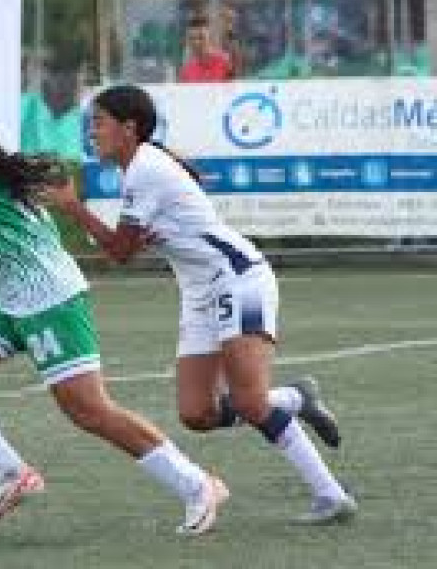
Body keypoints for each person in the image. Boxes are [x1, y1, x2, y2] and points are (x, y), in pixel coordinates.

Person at [0, 78, 227, 535]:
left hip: (47, 295)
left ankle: (196, 486)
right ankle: (13, 475)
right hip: (10, 294)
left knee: (89, 409)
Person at [40, 84, 357, 524]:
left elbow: (120, 252)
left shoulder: (144, 170)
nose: (91, 132)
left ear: (129, 129)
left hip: (238, 280)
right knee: (197, 413)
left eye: (98, 122)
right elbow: (131, 242)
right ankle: (293, 398)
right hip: (201, 293)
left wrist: (73, 207)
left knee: (248, 402)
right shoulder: (141, 167)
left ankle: (331, 495)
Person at [179, 16, 234, 83]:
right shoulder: (186, 70)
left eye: (201, 37)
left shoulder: (225, 63)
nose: (196, 42)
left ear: (210, 37)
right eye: (192, 38)